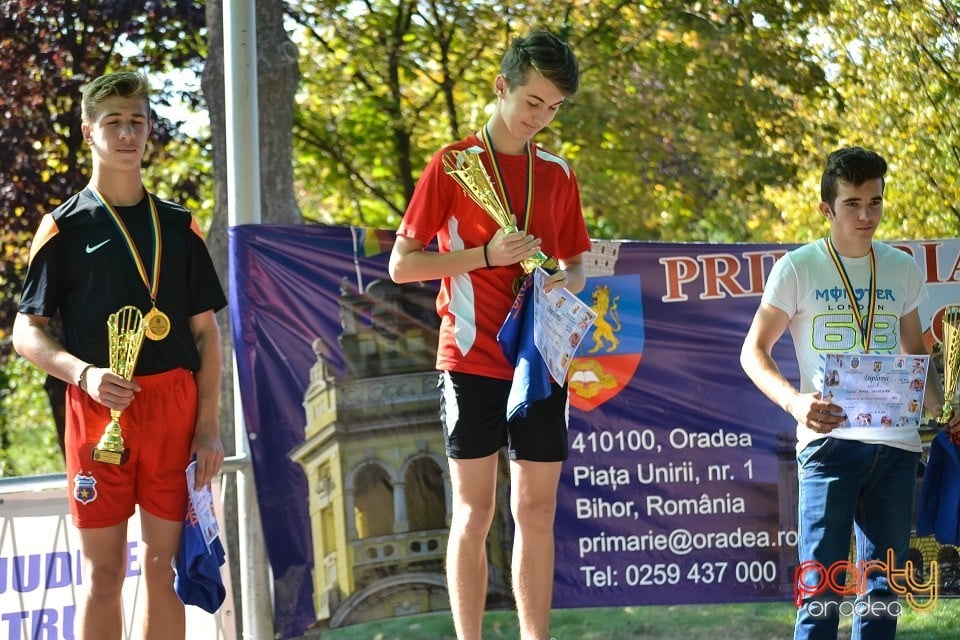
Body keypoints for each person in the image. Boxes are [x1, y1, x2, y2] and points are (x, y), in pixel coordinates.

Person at [388, 31, 590, 640]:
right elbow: (403, 265)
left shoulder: (557, 173)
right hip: (470, 356)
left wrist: (562, 284)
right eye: (533, 102)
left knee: (536, 508)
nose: (540, 118)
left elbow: (578, 263)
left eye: (554, 108)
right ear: (502, 87)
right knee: (474, 512)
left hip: (540, 359)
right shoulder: (453, 164)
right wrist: (484, 254)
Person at [12, 71, 227, 640]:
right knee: (103, 573)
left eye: (137, 121)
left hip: (173, 410)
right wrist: (82, 373)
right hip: (97, 409)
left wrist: (207, 427)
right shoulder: (61, 227)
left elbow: (206, 335)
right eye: (113, 122)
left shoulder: (181, 227)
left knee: (163, 569)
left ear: (149, 129)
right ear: (89, 132)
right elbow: (25, 333)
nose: (128, 133)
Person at [740, 146, 960, 640]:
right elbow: (752, 352)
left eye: (875, 202)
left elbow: (913, 356)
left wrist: (944, 410)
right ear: (826, 208)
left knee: (882, 595)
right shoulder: (798, 268)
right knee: (820, 591)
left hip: (896, 448)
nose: (866, 216)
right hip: (829, 446)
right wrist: (796, 403)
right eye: (853, 203)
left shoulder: (901, 268)